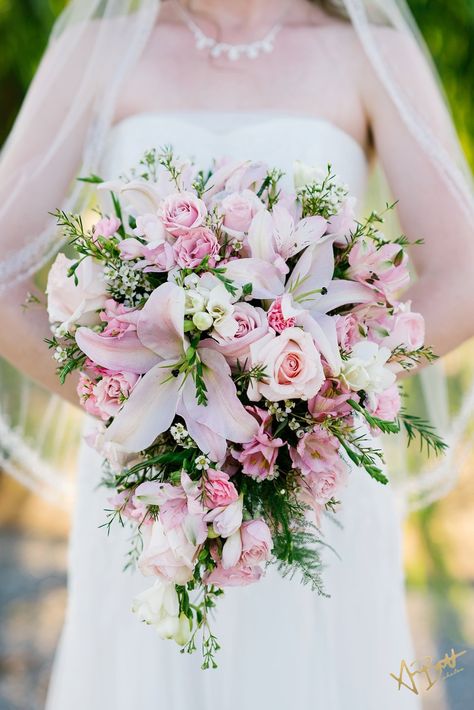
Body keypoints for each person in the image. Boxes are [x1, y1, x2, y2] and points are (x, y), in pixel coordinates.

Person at [0, 1, 472, 708]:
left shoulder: (368, 53)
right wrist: (140, 408)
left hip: (316, 479)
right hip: (152, 486)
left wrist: (319, 395)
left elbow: (463, 270)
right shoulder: (99, 47)